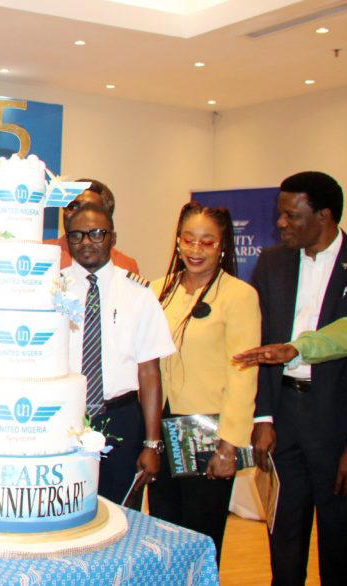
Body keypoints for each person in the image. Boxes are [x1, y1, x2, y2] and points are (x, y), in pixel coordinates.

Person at [242, 171, 347, 585]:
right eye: (281, 214)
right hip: (283, 417)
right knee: (284, 535)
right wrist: (263, 418)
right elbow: (260, 342)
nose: (281, 223)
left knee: (341, 538)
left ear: (324, 216)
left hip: (338, 423)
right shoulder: (272, 262)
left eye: (292, 215)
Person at [146, 202, 260, 563]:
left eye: (207, 242)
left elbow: (243, 374)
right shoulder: (158, 289)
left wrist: (229, 446)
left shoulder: (239, 295)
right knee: (163, 535)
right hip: (161, 428)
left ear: (222, 246)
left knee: (201, 538)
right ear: (178, 241)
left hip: (208, 432)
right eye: (188, 239)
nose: (196, 249)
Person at [61, 202, 174, 507]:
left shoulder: (139, 294)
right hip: (66, 417)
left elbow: (149, 372)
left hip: (122, 418)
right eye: (77, 235)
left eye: (97, 233)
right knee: (68, 507)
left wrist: (152, 443)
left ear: (112, 237)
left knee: (121, 512)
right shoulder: (52, 289)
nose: (86, 242)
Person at [44, 178, 140, 272]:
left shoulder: (124, 265)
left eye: (89, 208)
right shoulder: (40, 254)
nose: (79, 215)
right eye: (72, 206)